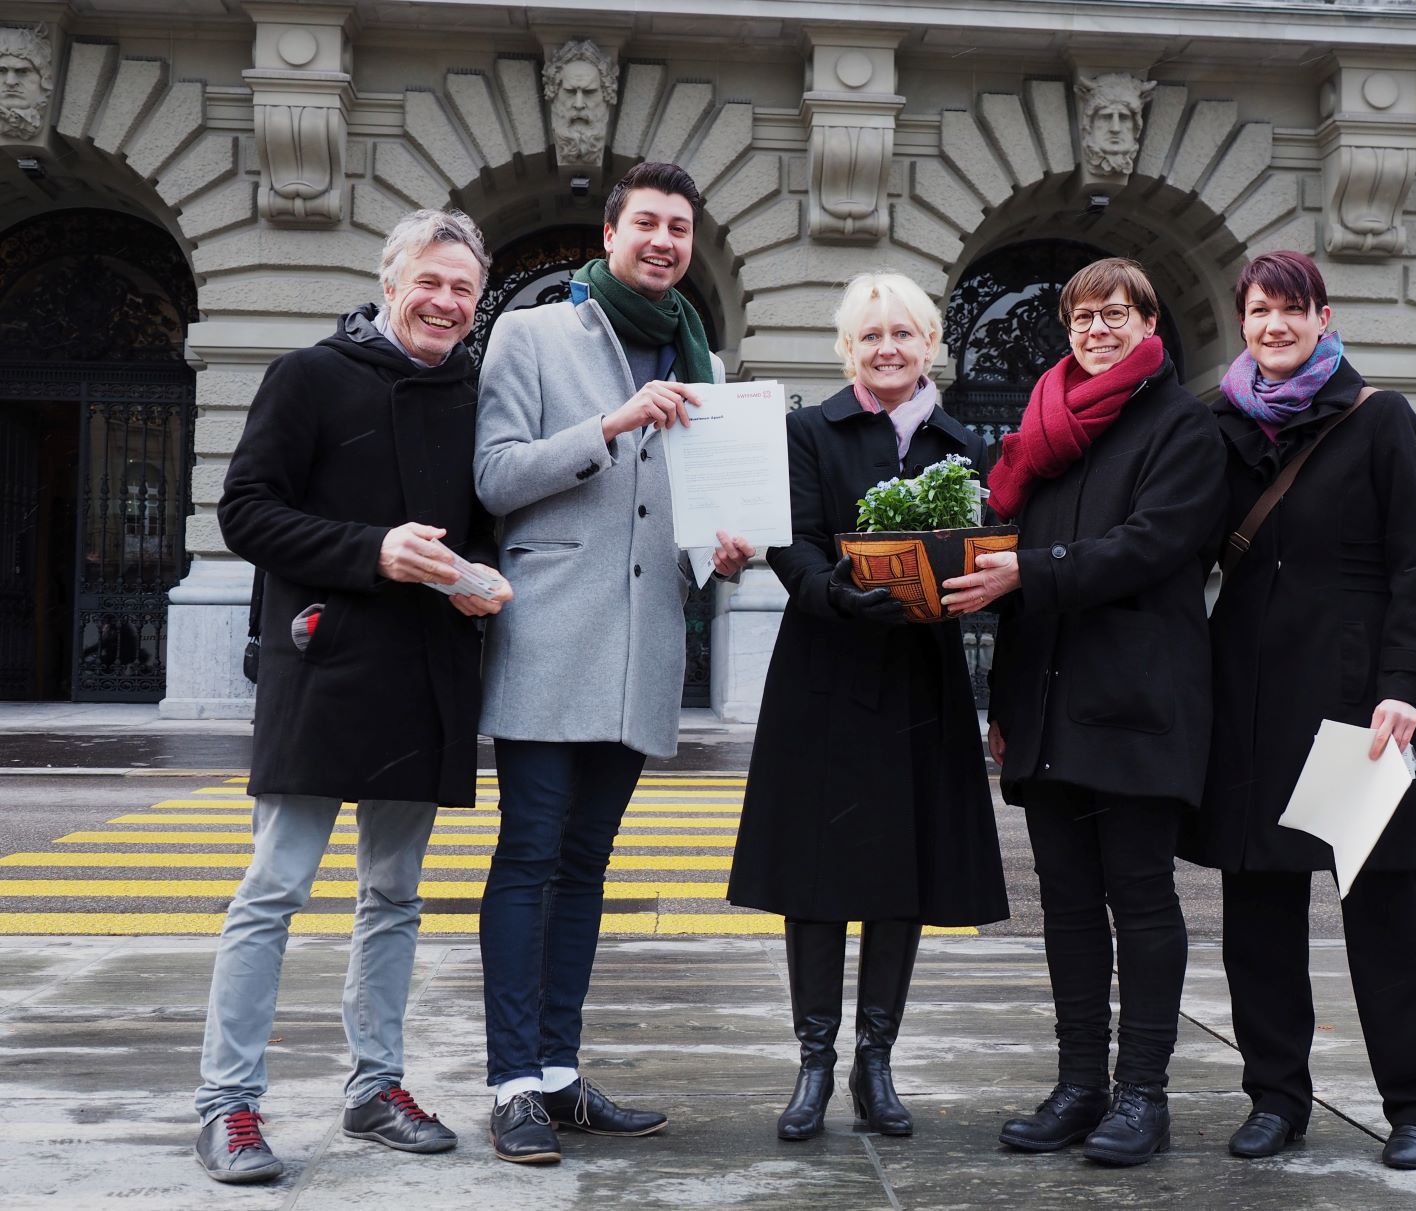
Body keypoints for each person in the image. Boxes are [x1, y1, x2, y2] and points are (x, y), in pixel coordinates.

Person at [195, 208, 509, 1183]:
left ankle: (377, 1086)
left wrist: (477, 575)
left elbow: (482, 520)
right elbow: (245, 511)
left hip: (426, 673)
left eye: (463, 289)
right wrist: (372, 550)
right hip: (324, 667)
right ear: (389, 283)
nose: (446, 302)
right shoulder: (309, 375)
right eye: (431, 282)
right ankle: (226, 1104)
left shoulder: (475, 394)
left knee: (395, 894)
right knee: (274, 888)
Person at [472, 161, 754, 1164]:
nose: (665, 240)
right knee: (530, 853)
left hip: (644, 644)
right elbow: (494, 475)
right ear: (611, 233)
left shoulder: (697, 355)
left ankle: (557, 1073)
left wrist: (718, 553)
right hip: (551, 635)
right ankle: (511, 1083)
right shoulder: (533, 333)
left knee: (587, 862)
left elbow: (687, 510)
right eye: (648, 223)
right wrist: (608, 424)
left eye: (680, 227)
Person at [940, 257, 1226, 1167]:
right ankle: (1078, 1085)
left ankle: (1143, 1093)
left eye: (1115, 314)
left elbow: (1152, 546)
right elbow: (1016, 579)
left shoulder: (1183, 425)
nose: (1097, 330)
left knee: (1139, 896)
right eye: (1082, 317)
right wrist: (1003, 701)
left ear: (1149, 324)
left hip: (1137, 699)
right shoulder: (1045, 431)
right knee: (1065, 901)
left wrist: (1031, 572)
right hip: (1049, 701)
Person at [1184, 249, 1416, 1171]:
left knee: (1384, 912)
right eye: (1260, 310)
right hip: (1251, 700)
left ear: (1323, 317)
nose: (1275, 326)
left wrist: (1405, 684)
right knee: (1258, 911)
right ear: (1242, 321)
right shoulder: (1220, 423)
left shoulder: (1381, 418)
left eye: (1292, 309)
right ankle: (1276, 1098)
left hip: (1359, 706)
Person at [727, 272, 1009, 1142]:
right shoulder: (809, 432)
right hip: (825, 669)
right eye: (871, 335)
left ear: (930, 345)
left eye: (903, 333)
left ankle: (874, 1062)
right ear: (848, 349)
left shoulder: (963, 446)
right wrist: (835, 593)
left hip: (922, 678)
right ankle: (813, 1063)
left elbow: (982, 554)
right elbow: (792, 540)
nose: (888, 348)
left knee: (902, 876)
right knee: (816, 877)